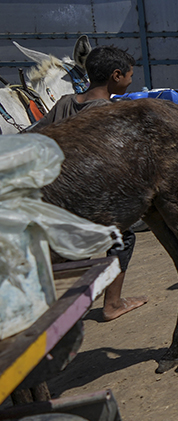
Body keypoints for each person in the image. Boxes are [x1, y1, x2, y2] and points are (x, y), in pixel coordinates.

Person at [27, 46, 147, 322]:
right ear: (116, 76)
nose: (131, 79)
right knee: (123, 237)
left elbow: (36, 134)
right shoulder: (107, 114)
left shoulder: (66, 102)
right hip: (88, 200)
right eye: (129, 75)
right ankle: (113, 304)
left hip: (56, 198)